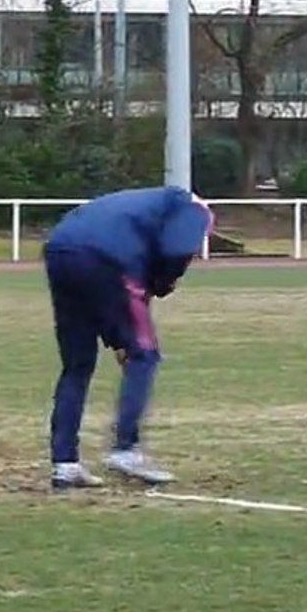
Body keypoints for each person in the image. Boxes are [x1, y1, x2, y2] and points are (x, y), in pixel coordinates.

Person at [42, 185, 215, 489]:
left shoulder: (144, 205)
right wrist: (164, 282)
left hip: (60, 249)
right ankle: (125, 448)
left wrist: (121, 339)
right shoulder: (194, 208)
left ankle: (65, 463)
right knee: (145, 355)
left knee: (77, 364)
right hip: (107, 258)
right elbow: (175, 252)